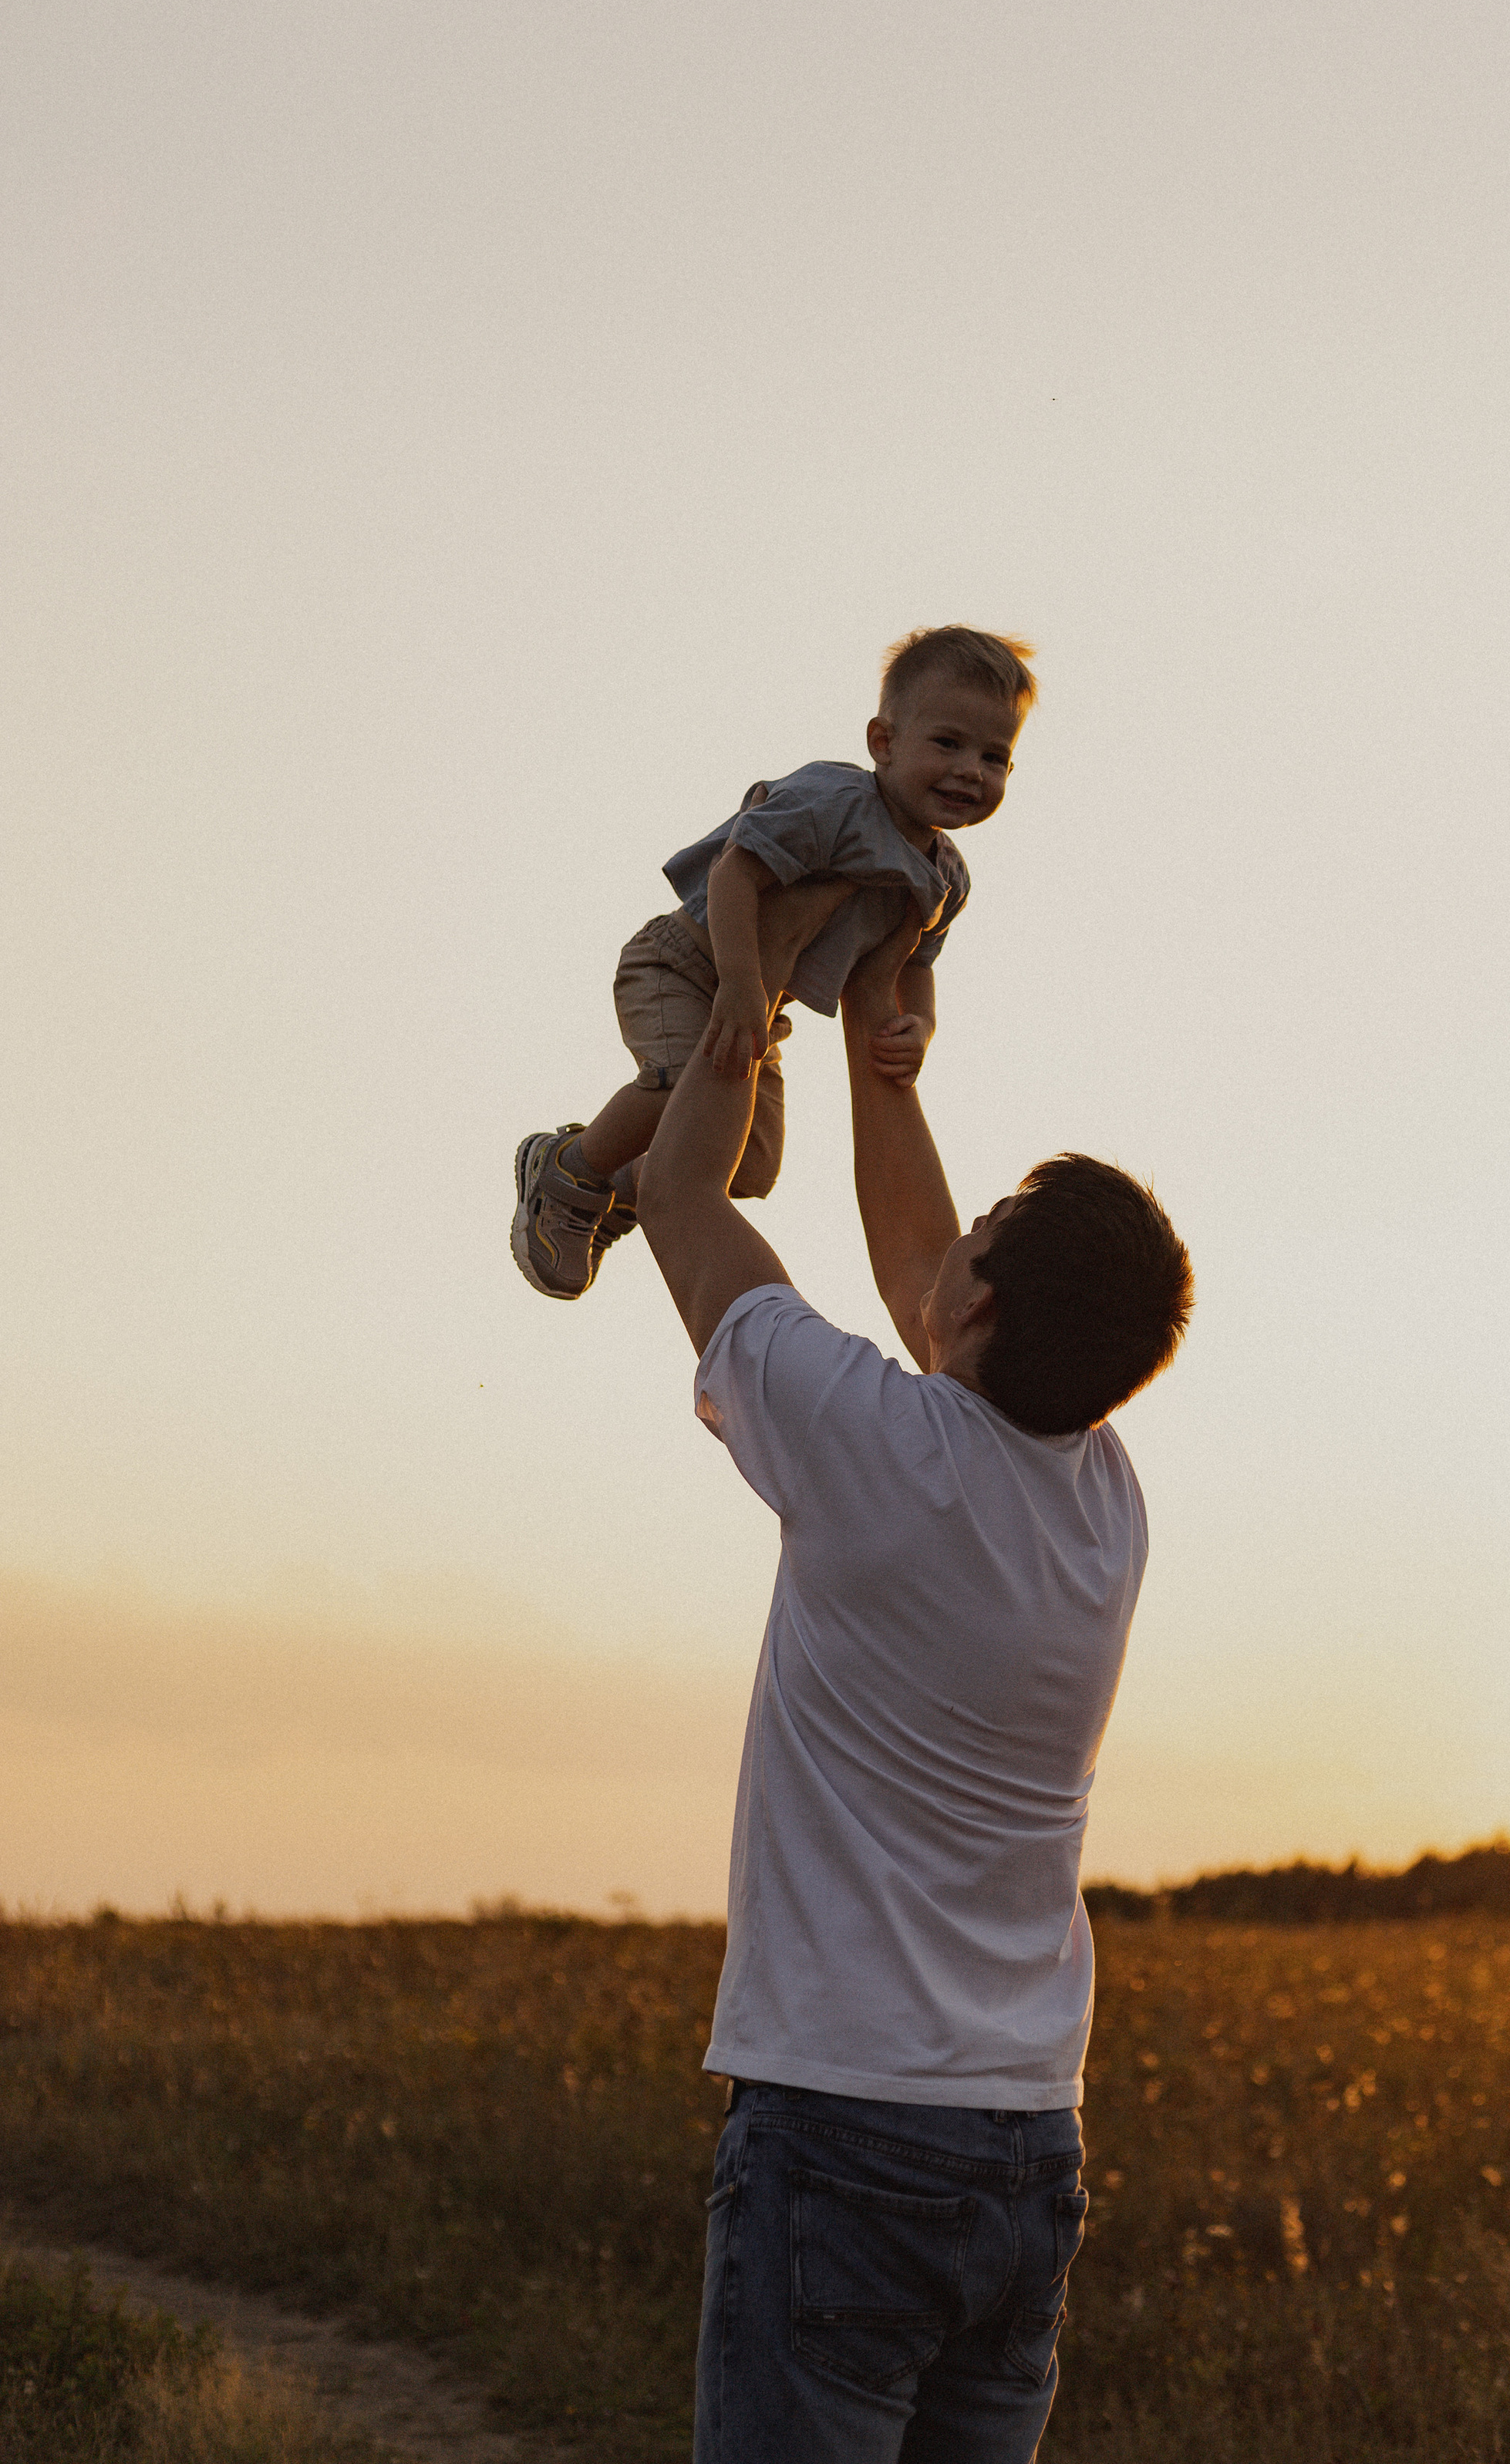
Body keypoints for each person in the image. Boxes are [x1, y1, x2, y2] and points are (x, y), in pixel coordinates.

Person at [637, 915, 1193, 2462]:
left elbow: (679, 1196)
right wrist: (887, 1068)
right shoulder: (1104, 1502)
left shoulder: (871, 1448)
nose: (951, 1248)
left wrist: (742, 1018)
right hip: (1023, 2147)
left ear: (985, 1311)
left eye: (986, 1231)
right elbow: (922, 1279)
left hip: (840, 2137)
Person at [510, 626, 1036, 1301]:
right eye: (948, 743)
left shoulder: (946, 878)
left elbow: (915, 963)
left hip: (761, 1004)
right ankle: (566, 1166)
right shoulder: (837, 803)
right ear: (883, 743)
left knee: (749, 1165)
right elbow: (736, 873)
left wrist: (921, 1026)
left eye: (994, 756)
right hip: (688, 966)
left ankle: (622, 1186)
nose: (971, 769)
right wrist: (737, 982)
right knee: (679, 1086)